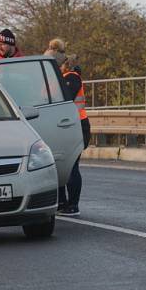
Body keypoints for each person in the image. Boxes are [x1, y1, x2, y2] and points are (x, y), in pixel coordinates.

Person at [57, 54, 91, 217]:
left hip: (77, 126)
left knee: (71, 166)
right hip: (69, 125)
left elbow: (64, 99)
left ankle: (73, 204)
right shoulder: (63, 77)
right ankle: (62, 202)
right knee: (60, 166)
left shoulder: (71, 78)